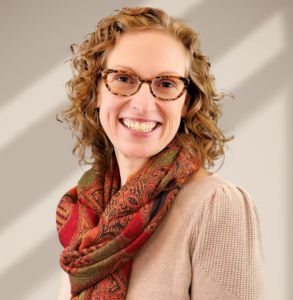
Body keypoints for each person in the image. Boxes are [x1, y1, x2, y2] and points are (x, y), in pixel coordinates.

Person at [56, 6, 265, 300]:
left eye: (166, 84)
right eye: (124, 79)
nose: (143, 103)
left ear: (186, 102)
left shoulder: (216, 206)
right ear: (96, 92)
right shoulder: (88, 209)